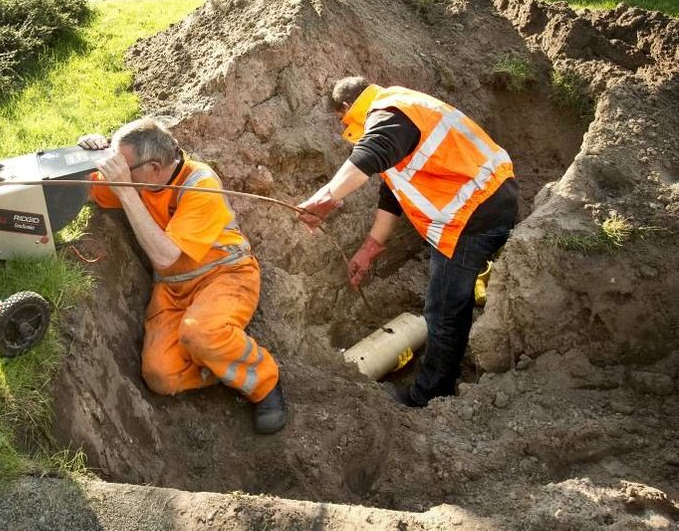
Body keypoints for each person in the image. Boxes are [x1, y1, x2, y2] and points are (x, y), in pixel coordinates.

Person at [297, 77, 519, 408]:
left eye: (345, 121)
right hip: (496, 197)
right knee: (469, 278)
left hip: (470, 216)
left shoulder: (387, 113)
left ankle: (429, 394)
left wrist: (325, 198)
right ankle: (482, 294)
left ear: (347, 109)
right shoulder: (406, 104)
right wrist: (369, 248)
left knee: (443, 312)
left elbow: (370, 155)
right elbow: (394, 190)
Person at [79, 118, 287, 434]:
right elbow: (86, 190)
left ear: (153, 167)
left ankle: (263, 381)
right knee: (160, 375)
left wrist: (126, 192)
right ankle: (221, 360)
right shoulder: (141, 179)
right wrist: (84, 157)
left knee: (199, 333)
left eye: (125, 165)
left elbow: (164, 257)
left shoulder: (200, 185)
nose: (120, 171)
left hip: (224, 275)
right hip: (174, 290)